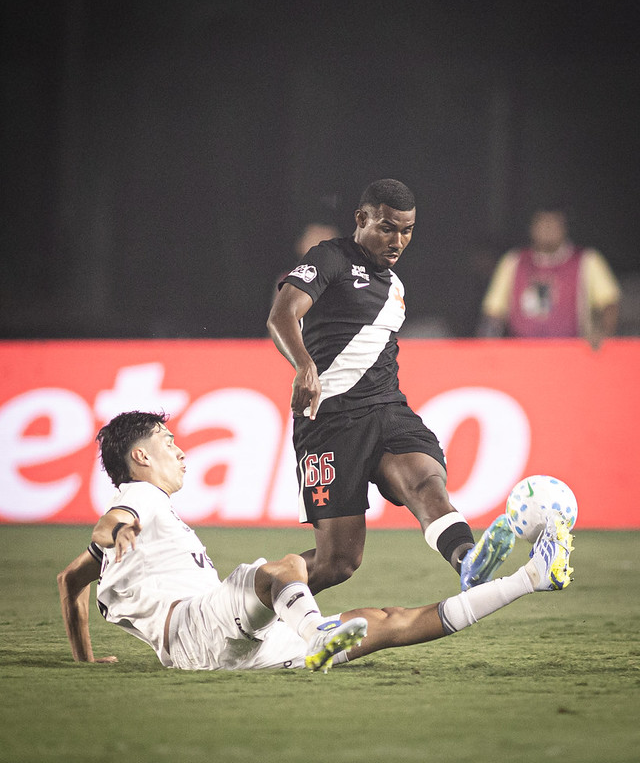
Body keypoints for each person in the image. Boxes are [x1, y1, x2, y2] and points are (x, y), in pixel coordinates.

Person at [57, 410, 574, 672]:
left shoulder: (147, 526)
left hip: (228, 651)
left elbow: (69, 581)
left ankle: (530, 578)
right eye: (168, 443)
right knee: (278, 569)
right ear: (142, 458)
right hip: (193, 627)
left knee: (387, 623)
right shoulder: (140, 499)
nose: (182, 452)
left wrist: (85, 659)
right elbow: (112, 522)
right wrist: (116, 527)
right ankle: (314, 636)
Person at [267, 178, 514, 595]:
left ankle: (469, 562)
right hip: (329, 423)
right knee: (338, 562)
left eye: (407, 230)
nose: (397, 240)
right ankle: (238, 598)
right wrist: (304, 365)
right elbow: (282, 314)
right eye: (387, 228)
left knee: (424, 482)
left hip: (387, 410)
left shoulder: (395, 286)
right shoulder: (330, 257)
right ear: (362, 220)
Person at [478, 207, 621, 349]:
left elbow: (609, 304)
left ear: (564, 227)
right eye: (542, 223)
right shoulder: (514, 261)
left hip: (574, 352)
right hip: (522, 354)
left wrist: (603, 334)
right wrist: (486, 347)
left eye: (553, 223)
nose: (547, 229)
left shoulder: (586, 260)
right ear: (532, 228)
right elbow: (494, 312)